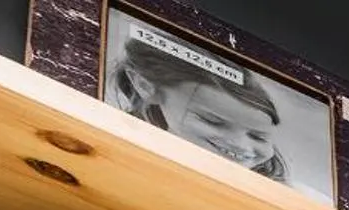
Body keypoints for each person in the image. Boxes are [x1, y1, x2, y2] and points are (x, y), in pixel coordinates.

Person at [110, 36, 293, 185]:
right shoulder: (119, 151)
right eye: (212, 121)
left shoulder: (283, 191)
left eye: (258, 137)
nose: (239, 144)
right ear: (144, 86)